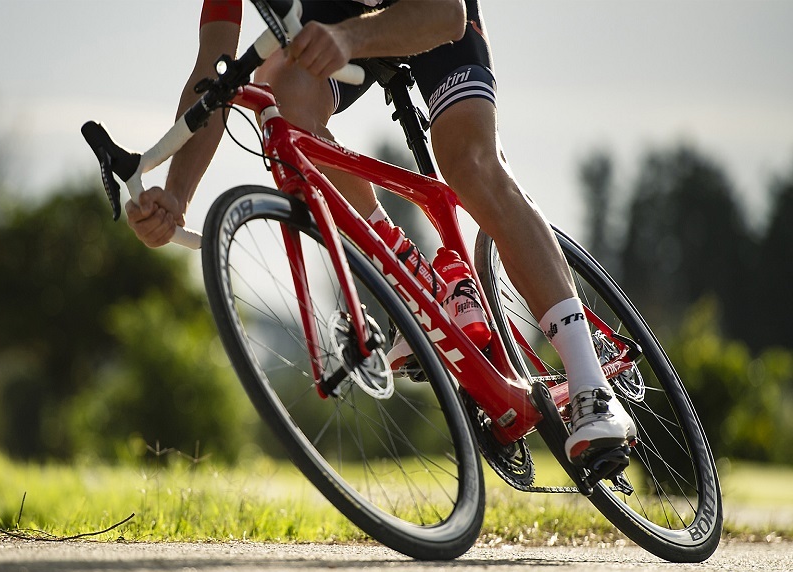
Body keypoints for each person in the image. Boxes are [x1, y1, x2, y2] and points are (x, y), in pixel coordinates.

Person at [124, 0, 636, 468]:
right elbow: (212, 75)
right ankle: (409, 268)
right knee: (276, 87)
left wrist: (350, 38)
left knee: (470, 163)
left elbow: (446, 17)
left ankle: (592, 388)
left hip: (425, 10)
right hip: (334, 20)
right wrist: (176, 196)